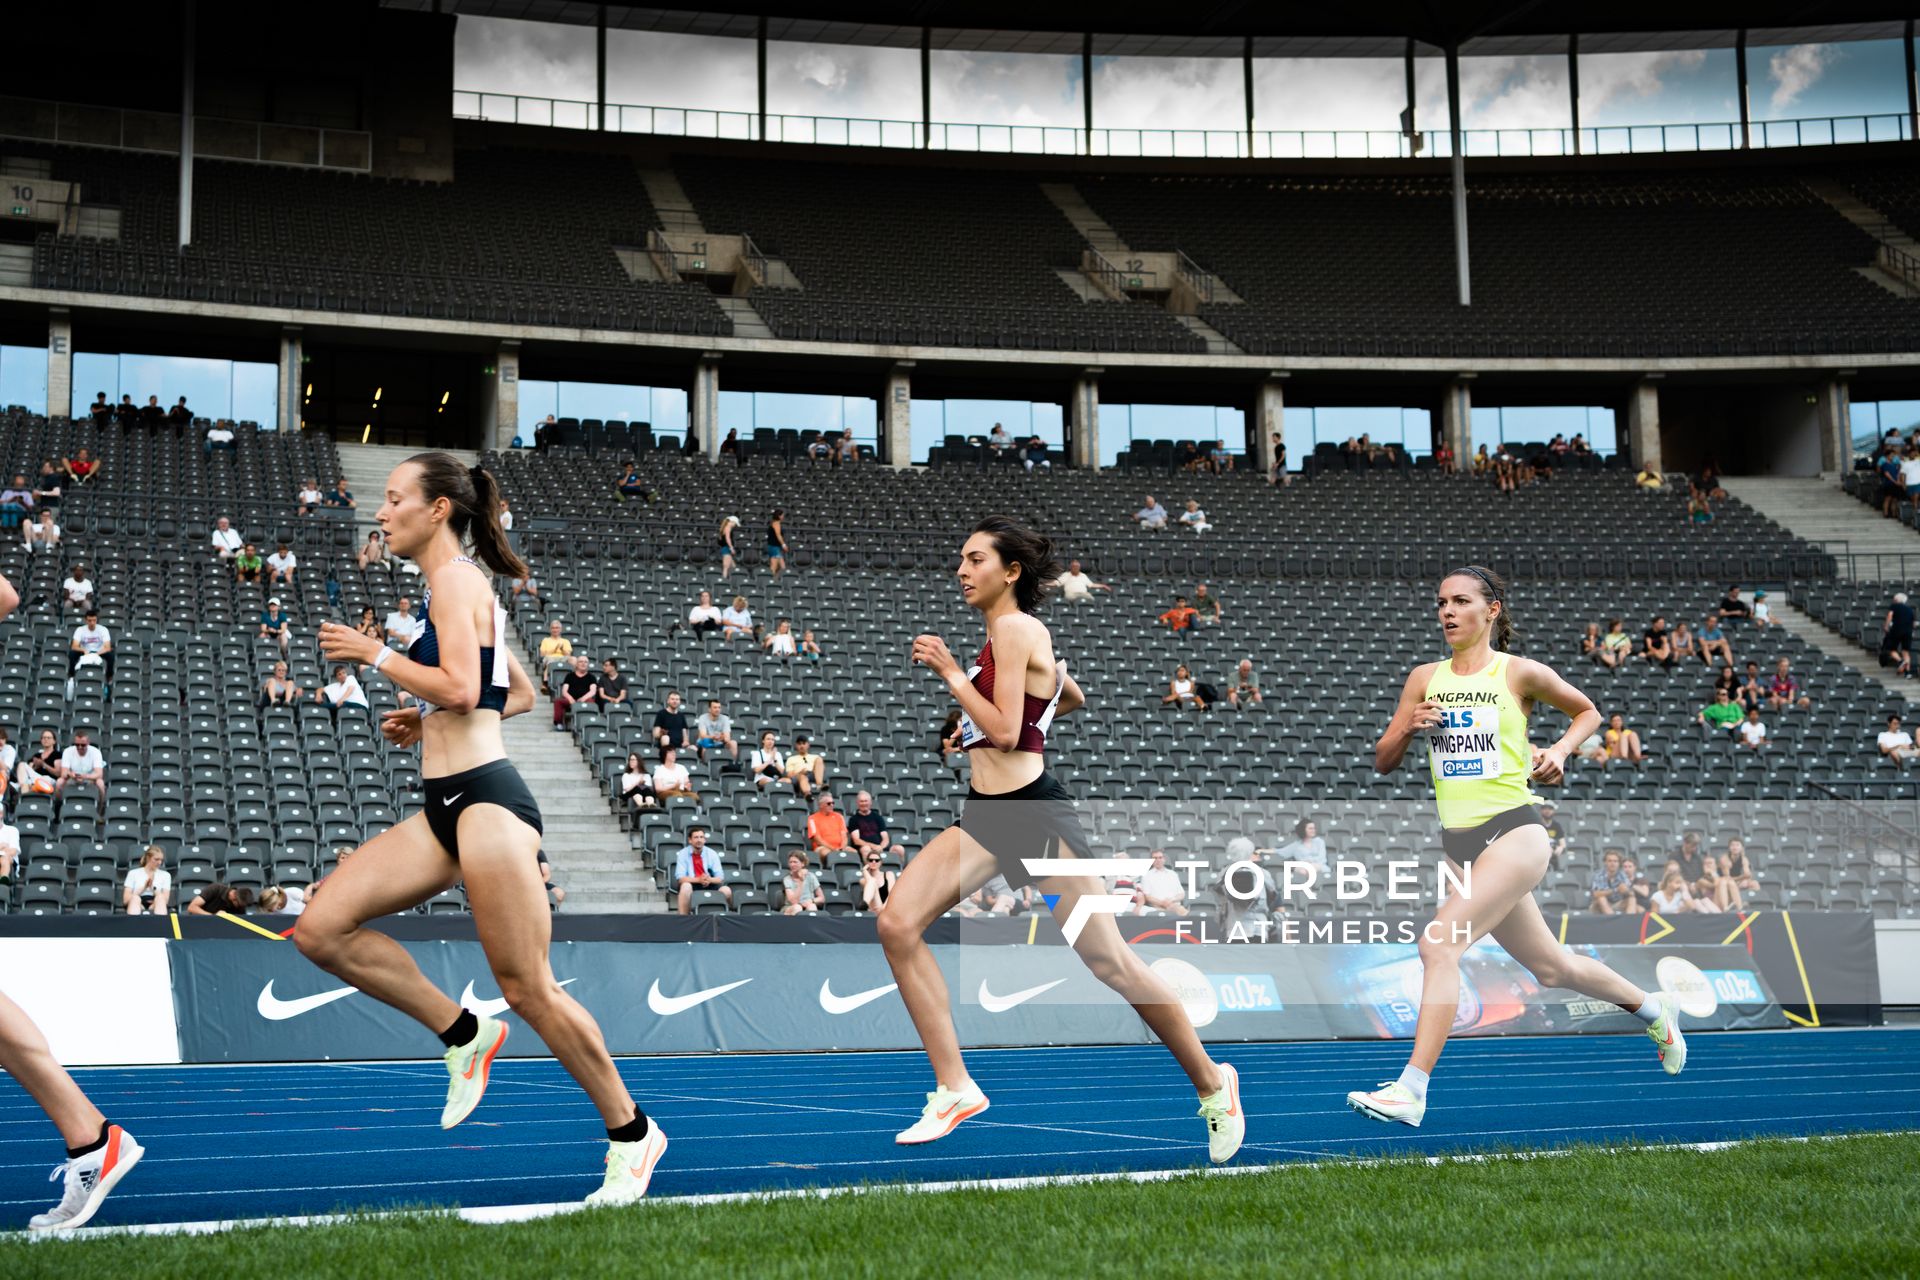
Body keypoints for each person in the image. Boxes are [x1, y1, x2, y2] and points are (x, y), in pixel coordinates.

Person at [305, 454, 664, 1200]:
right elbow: (519, 693)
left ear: (437, 510)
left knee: (529, 987)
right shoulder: (468, 586)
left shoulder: (455, 581)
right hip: (447, 805)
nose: (381, 511)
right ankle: (464, 1033)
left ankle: (633, 1134)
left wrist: (376, 654)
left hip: (488, 803)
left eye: (394, 498)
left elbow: (469, 688)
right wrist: (429, 712)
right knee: (321, 929)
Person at [888, 515, 1243, 1159]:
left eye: (974, 560)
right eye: (960, 560)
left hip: (1032, 816)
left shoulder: (1017, 627)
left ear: (1011, 571)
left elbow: (1002, 732)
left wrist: (949, 673)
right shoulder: (1004, 637)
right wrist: (1035, 695)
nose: (961, 571)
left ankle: (1215, 1084)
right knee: (896, 924)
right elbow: (1067, 697)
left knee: (1112, 963)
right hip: (988, 816)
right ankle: (954, 1087)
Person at [1346, 565, 1684, 1130]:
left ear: (1491, 610)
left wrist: (1559, 752)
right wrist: (1408, 728)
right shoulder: (1423, 677)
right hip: (1459, 847)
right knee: (1551, 967)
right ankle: (1654, 1009)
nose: (1447, 612)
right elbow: (1383, 759)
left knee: (1438, 945)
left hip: (1515, 831)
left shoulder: (1519, 672)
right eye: (1440, 603)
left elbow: (1588, 711)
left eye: (1460, 601)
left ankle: (1412, 1088)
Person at [673, 828, 729, 914]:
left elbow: (720, 877)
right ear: (690, 840)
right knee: (685, 886)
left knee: (726, 890)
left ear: (704, 840)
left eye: (701, 837)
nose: (699, 840)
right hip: (692, 883)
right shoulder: (683, 854)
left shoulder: (712, 853)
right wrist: (699, 880)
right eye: (696, 837)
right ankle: (683, 919)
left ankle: (725, 917)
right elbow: (680, 878)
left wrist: (709, 879)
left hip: (709, 883)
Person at [56, 730, 107, 812]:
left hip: (89, 778)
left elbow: (99, 774)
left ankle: (100, 810)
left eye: (83, 745)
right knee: (59, 782)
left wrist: (86, 776)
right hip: (72, 778)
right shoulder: (68, 751)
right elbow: (63, 773)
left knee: (100, 783)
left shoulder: (95, 752)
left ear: (88, 743)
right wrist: (70, 774)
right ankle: (60, 809)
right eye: (77, 745)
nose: (79, 747)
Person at [68, 609, 114, 694]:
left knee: (110, 656)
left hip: (99, 652)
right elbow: (74, 646)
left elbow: (107, 647)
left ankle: (109, 678)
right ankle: (72, 675)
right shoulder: (80, 630)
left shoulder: (103, 629)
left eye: (94, 620)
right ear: (86, 620)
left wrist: (96, 654)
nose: (92, 623)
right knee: (72, 654)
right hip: (85, 651)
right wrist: (84, 650)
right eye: (90, 620)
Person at [1131, 849, 1188, 916]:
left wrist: (1171, 900)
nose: (1158, 860)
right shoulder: (1147, 876)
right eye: (1155, 858)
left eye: (1160, 857)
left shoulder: (1173, 874)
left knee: (1181, 911)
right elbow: (1147, 897)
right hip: (1157, 908)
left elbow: (1181, 894)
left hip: (1174, 905)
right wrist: (1162, 903)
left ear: (1164, 859)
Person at [122, 846, 172, 916]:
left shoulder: (166, 875)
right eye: (156, 859)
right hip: (138, 903)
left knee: (160, 898)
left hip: (155, 903)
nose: (159, 862)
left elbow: (165, 900)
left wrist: (153, 888)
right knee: (135, 898)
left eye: (161, 860)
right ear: (148, 858)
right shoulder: (133, 873)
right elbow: (126, 900)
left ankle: (160, 925)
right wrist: (143, 888)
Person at [553, 655, 598, 729]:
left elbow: (593, 691)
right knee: (558, 701)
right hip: (570, 700)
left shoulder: (591, 677)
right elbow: (564, 691)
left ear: (588, 665)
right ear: (577, 664)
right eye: (581, 662)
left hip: (585, 700)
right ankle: (559, 723)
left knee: (591, 702)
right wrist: (570, 699)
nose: (583, 664)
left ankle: (588, 723)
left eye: (585, 662)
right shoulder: (569, 676)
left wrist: (583, 698)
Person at [806, 792, 852, 864]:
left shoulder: (839, 816)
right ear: (820, 805)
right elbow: (818, 840)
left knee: (854, 853)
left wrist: (842, 848)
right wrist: (833, 849)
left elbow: (844, 835)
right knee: (826, 853)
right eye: (828, 803)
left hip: (840, 847)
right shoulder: (812, 818)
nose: (832, 805)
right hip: (823, 847)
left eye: (833, 803)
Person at [847, 791, 891, 860]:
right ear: (857, 803)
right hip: (863, 848)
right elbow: (856, 840)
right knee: (866, 849)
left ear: (870, 802)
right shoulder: (853, 819)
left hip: (879, 847)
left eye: (866, 801)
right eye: (861, 801)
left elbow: (885, 838)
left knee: (898, 848)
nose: (864, 803)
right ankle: (869, 870)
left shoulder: (878, 817)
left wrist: (880, 847)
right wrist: (873, 846)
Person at [1588, 849, 1633, 914]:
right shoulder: (1598, 875)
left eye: (1615, 861)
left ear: (1619, 863)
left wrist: (1626, 890)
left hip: (1616, 903)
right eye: (1610, 861)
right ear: (1605, 862)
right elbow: (1596, 894)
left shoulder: (1622, 875)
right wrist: (1616, 889)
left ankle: (1629, 920)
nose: (1612, 863)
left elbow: (1629, 892)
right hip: (1598, 905)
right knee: (1601, 898)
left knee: (1632, 898)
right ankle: (1613, 922)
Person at [694, 698, 737, 763]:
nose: (717, 710)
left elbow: (727, 738)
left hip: (720, 743)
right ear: (709, 709)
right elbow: (702, 736)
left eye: (719, 708)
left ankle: (732, 764)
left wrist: (722, 738)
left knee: (733, 743)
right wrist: (713, 737)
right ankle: (705, 766)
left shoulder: (725, 718)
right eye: (715, 707)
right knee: (705, 745)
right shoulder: (703, 717)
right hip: (706, 742)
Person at [1883, 591, 1915, 676]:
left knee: (1890, 649)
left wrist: (1886, 626)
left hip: (1897, 630)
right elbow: (1913, 623)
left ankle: (1901, 661)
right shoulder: (1909, 609)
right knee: (1906, 652)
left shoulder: (1894, 606)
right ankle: (1907, 673)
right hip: (1908, 631)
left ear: (1896, 599)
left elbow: (1890, 615)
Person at [650, 690, 692, 755]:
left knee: (693, 748)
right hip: (666, 744)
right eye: (672, 699)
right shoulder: (661, 713)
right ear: (668, 701)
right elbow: (655, 734)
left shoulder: (681, 715)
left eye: (677, 699)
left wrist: (685, 741)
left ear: (679, 701)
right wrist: (661, 733)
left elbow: (684, 731)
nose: (675, 701)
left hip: (679, 745)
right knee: (665, 738)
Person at [765, 510, 788, 579]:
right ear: (779, 516)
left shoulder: (774, 523)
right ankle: (770, 582)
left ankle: (775, 581)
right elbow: (778, 535)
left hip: (775, 547)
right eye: (782, 515)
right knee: (774, 566)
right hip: (774, 547)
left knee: (781, 567)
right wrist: (784, 545)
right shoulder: (776, 524)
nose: (783, 516)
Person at [718, 516, 741, 581]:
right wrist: (731, 548)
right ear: (732, 522)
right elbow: (728, 539)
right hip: (726, 548)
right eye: (735, 524)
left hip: (725, 548)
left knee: (733, 566)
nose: (735, 525)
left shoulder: (725, 527)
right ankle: (724, 581)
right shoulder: (728, 528)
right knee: (726, 567)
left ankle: (735, 579)